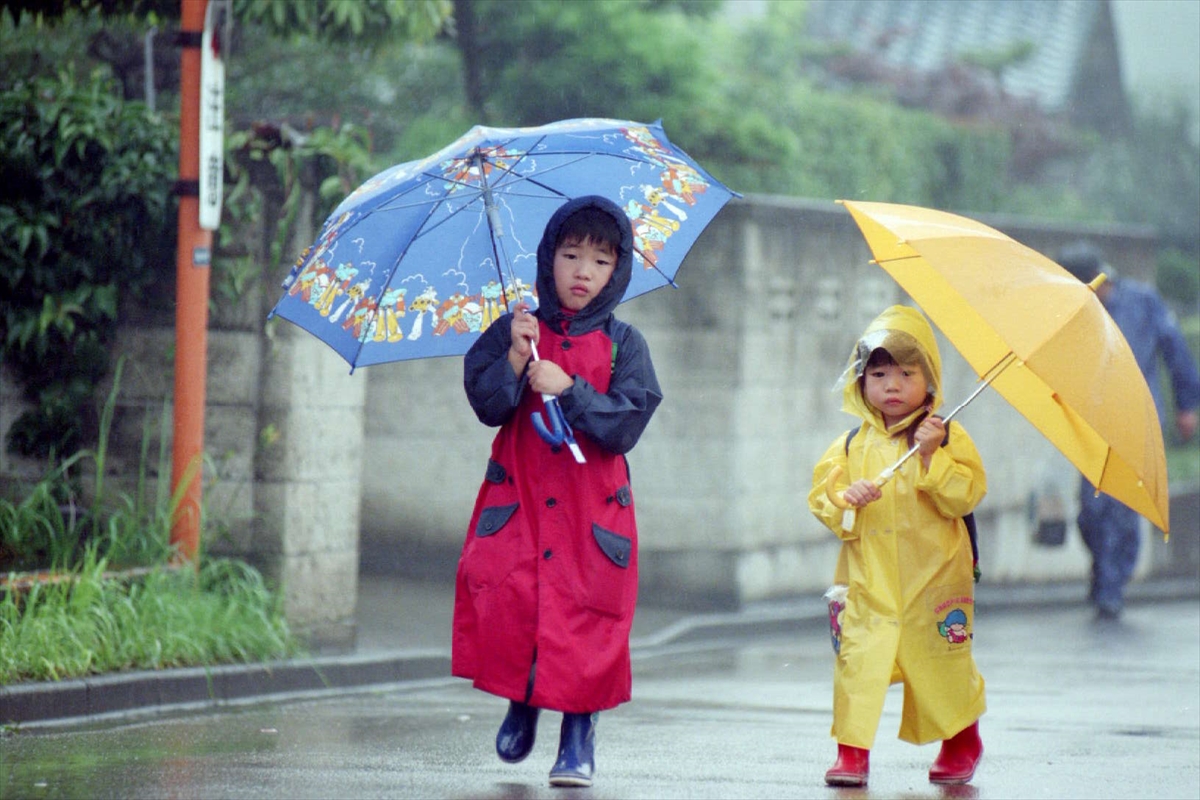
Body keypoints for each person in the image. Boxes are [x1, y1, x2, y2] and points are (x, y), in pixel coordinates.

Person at [451, 195, 663, 788]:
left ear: (616, 270)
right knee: (511, 598)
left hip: (590, 510)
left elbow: (626, 423)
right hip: (519, 496)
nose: (581, 271)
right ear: (549, 260)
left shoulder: (626, 343)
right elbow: (487, 405)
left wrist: (570, 389)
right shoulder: (518, 329)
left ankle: (578, 731)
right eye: (570, 255)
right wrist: (517, 360)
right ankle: (522, 701)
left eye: (598, 261)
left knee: (585, 616)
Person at [808, 305, 988, 787]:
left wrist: (933, 459)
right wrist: (849, 499)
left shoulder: (946, 437)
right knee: (858, 664)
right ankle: (852, 752)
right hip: (869, 582)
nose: (892, 385)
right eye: (879, 374)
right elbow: (824, 502)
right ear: (860, 382)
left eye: (907, 374)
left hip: (934, 577)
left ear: (929, 381)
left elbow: (965, 495)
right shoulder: (849, 446)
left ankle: (961, 739)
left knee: (941, 664)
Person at [1055, 241, 1200, 620]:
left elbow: (1176, 351)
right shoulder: (1075, 313)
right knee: (1090, 510)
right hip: (1095, 422)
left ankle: (1111, 587)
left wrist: (1188, 405)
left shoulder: (1143, 302)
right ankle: (1104, 569)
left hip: (1139, 421)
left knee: (1122, 508)